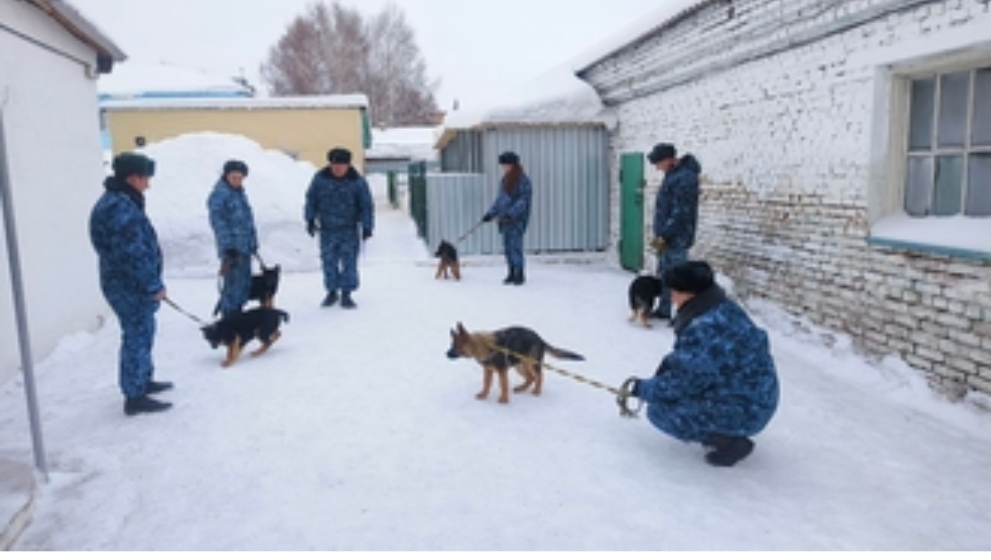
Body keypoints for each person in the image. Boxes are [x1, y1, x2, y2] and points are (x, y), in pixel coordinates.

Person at [624, 261, 779, 467]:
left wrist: (642, 389)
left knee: (660, 412)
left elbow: (684, 381)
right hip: (758, 395)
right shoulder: (723, 307)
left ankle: (731, 443)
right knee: (677, 392)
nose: (672, 298)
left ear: (690, 293)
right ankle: (727, 426)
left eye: (675, 292)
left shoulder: (705, 328)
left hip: (748, 408)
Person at [89, 152, 173, 416]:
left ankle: (143, 380)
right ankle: (135, 395)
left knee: (144, 331)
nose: (148, 184)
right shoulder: (118, 208)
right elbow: (132, 253)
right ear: (132, 178)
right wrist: (152, 285)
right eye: (146, 178)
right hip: (128, 286)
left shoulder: (122, 201)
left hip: (130, 283)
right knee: (136, 334)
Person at [304, 147, 374, 309]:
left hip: (349, 229)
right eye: (335, 165)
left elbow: (366, 205)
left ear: (348, 165)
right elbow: (311, 199)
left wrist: (367, 226)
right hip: (327, 229)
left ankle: (347, 293)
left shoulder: (357, 182)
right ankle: (332, 291)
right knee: (329, 262)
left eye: (341, 166)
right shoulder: (320, 179)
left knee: (349, 262)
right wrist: (310, 219)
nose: (338, 169)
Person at [647, 143, 701, 320]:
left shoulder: (685, 178)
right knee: (665, 274)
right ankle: (664, 310)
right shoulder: (672, 176)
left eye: (658, 163)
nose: (657, 167)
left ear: (669, 160)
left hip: (677, 237)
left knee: (679, 278)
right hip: (666, 236)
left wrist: (665, 234)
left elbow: (681, 211)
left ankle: (683, 314)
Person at [207, 159, 258, 317]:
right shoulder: (220, 196)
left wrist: (253, 242)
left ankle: (237, 314)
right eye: (233, 177)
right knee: (232, 286)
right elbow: (218, 224)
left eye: (240, 178)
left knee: (244, 284)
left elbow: (248, 221)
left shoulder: (239, 194)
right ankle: (229, 317)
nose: (237, 180)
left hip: (244, 248)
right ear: (226, 176)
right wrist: (227, 247)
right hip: (232, 250)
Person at [482, 151, 532, 286]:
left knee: (515, 246)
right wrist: (490, 214)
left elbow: (523, 201)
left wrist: (511, 214)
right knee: (507, 247)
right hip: (504, 221)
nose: (504, 168)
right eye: (503, 165)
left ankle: (519, 273)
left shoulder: (523, 181)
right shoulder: (505, 180)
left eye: (506, 165)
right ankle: (511, 271)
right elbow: (500, 200)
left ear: (513, 165)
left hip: (516, 221)